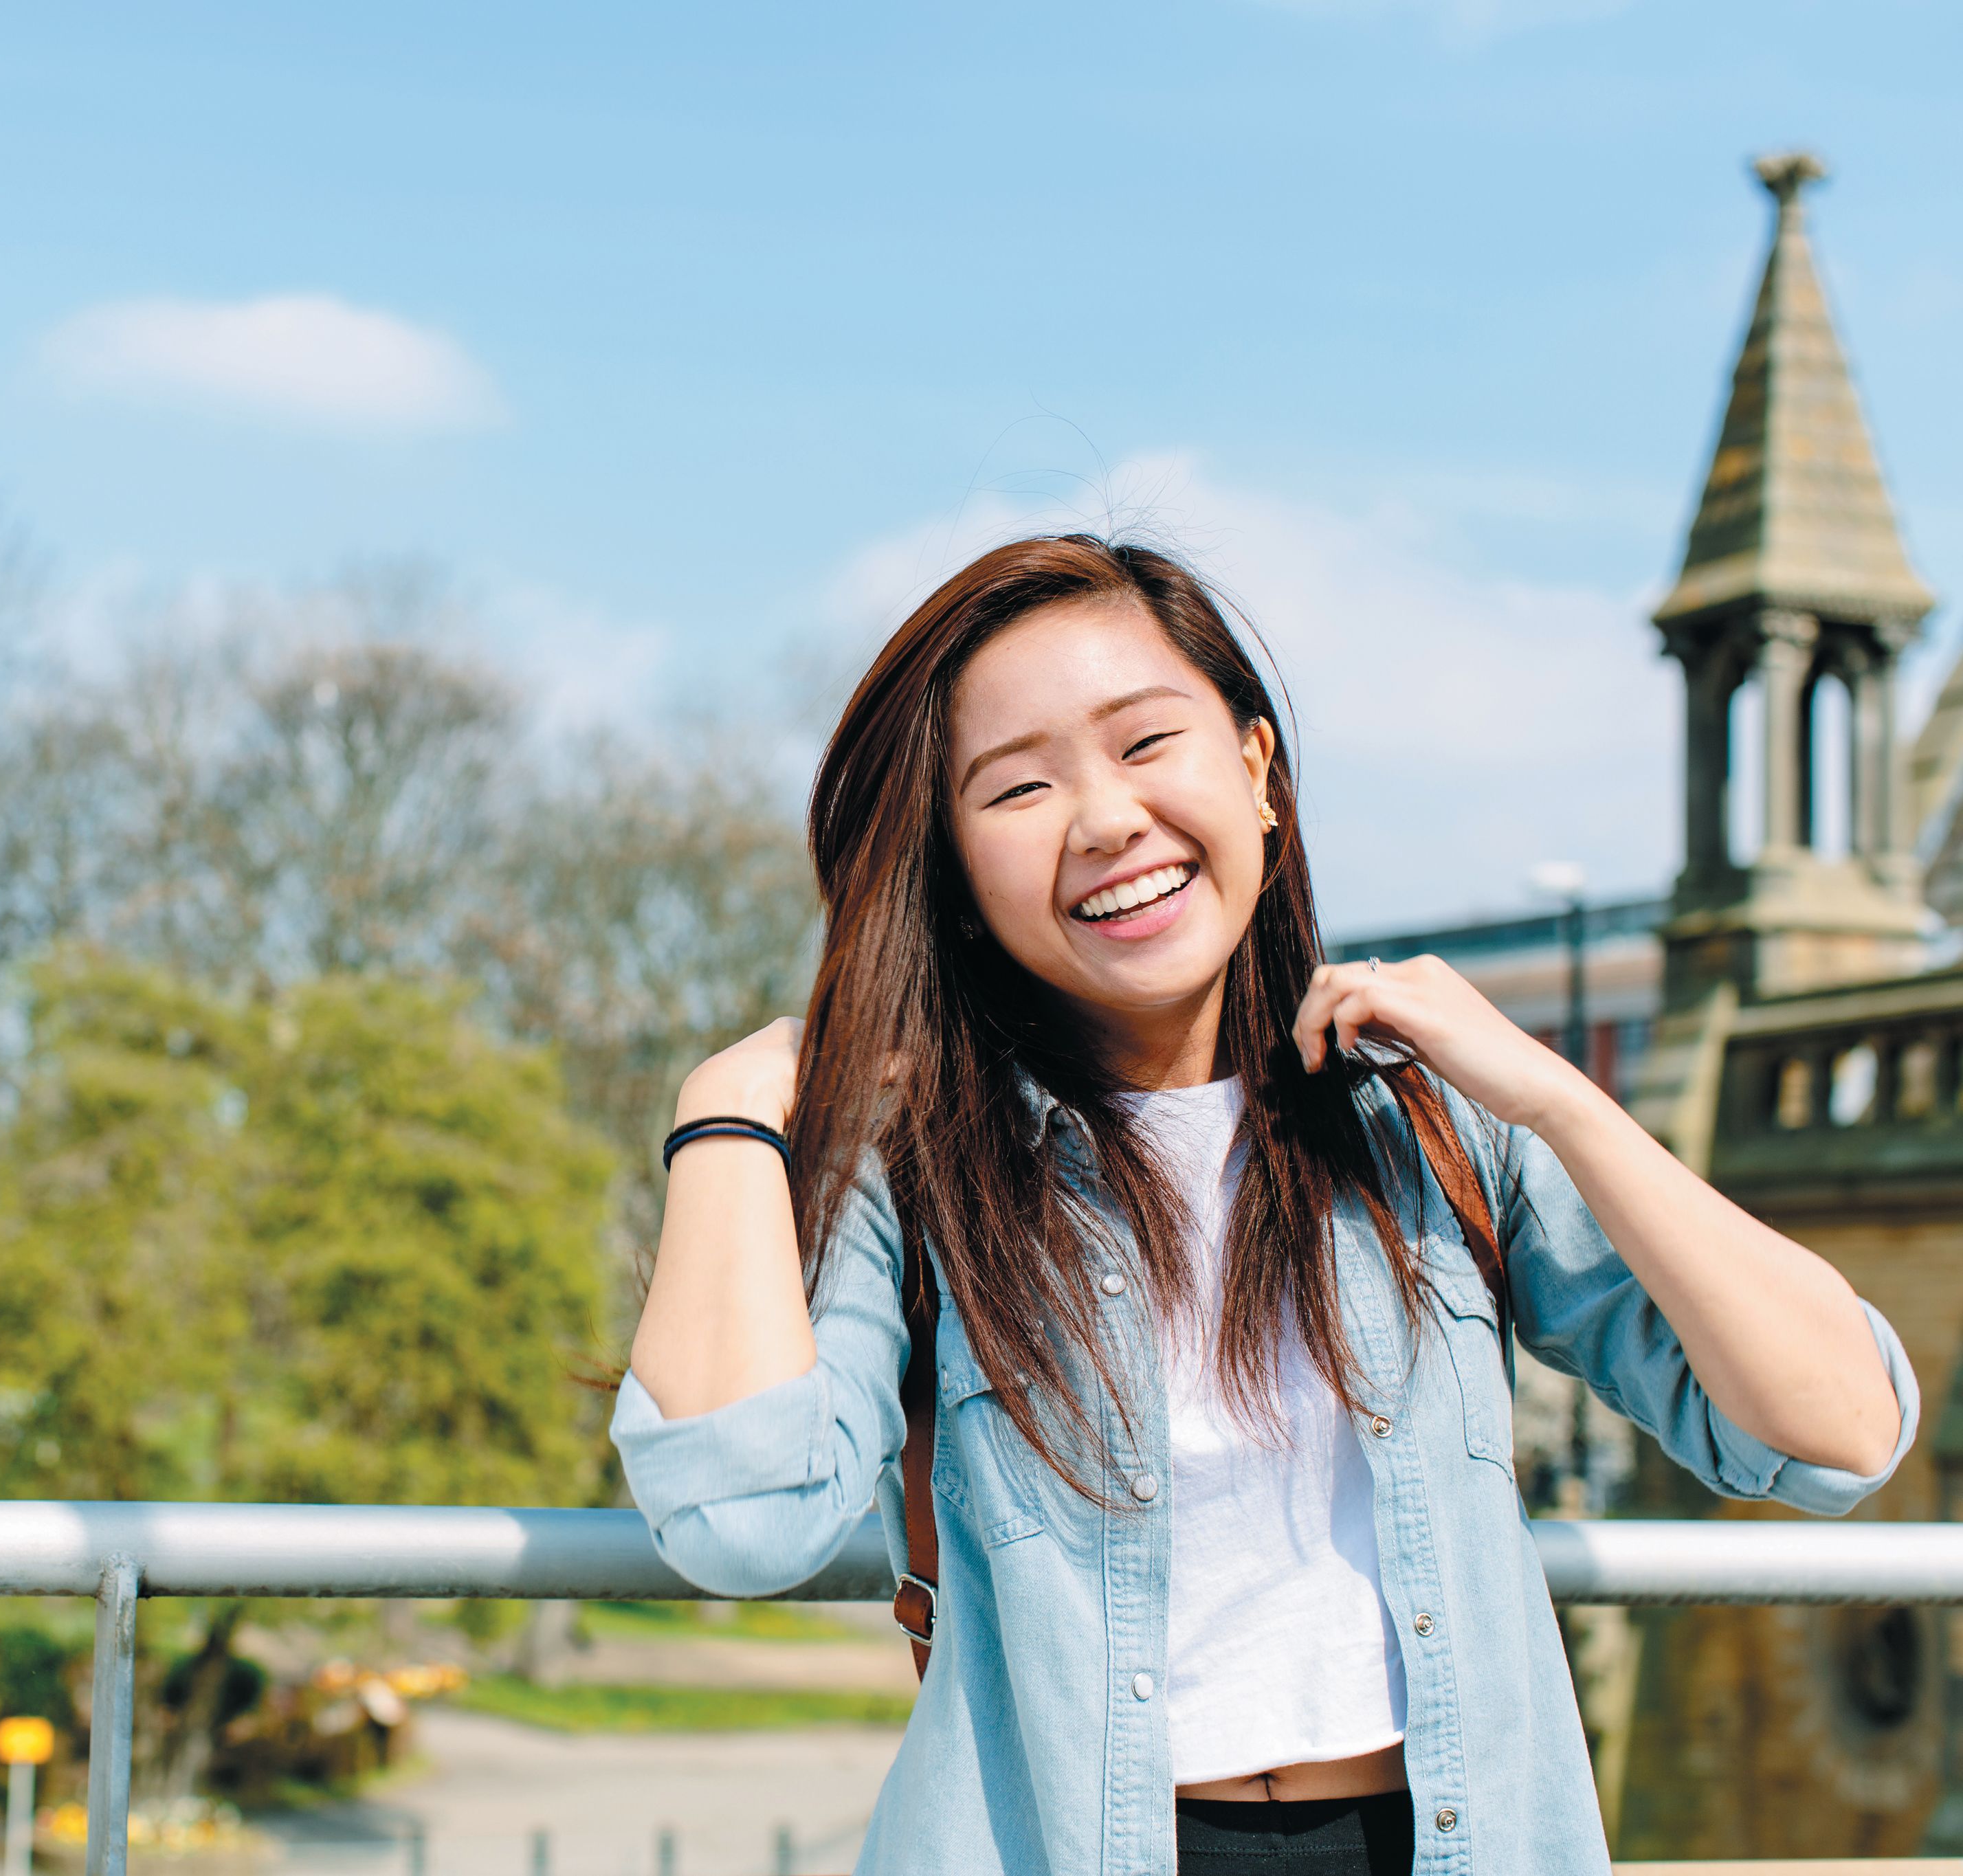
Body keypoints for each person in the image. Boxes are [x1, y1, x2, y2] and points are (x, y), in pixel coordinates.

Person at [612, 535, 1916, 1875]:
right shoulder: (919, 1168)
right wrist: (722, 1116)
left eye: (1142, 744)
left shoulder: (1426, 1124)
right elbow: (745, 1523)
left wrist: (1559, 1101)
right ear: (951, 867)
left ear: (1254, 773)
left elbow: (1837, 1429)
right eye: (1015, 788)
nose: (1104, 818)